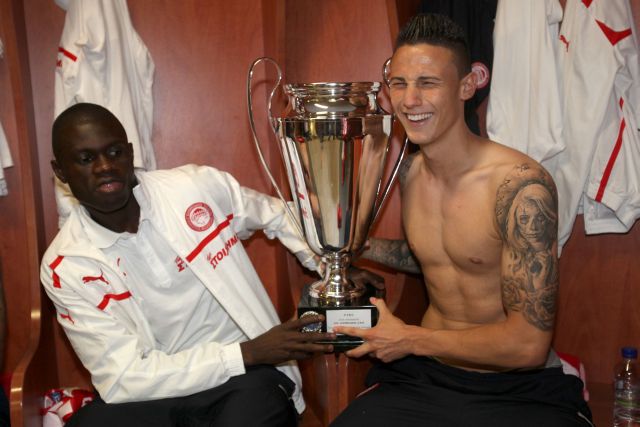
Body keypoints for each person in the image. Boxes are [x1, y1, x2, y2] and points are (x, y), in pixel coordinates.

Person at [331, 13, 592, 427]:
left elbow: (527, 345)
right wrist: (351, 245)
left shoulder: (520, 186)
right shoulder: (409, 174)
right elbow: (440, 255)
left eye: (427, 83)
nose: (409, 100)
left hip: (516, 384)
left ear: (467, 86)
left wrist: (409, 338)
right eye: (399, 83)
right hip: (428, 375)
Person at [40, 102, 338, 427]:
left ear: (130, 153)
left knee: (253, 414)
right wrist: (246, 352)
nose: (105, 167)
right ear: (61, 172)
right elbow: (122, 377)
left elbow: (279, 214)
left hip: (246, 377)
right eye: (86, 159)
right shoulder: (66, 265)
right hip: (159, 390)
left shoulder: (191, 188)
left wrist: (332, 267)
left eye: (115, 152)